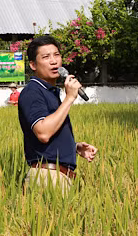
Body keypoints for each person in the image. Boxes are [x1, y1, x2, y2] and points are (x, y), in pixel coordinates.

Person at [18, 36, 98, 192]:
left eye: (56, 55)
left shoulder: (49, 92)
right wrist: (69, 98)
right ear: (33, 65)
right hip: (48, 177)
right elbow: (43, 133)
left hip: (58, 176)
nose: (54, 61)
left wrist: (73, 147)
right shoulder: (32, 92)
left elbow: (46, 139)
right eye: (46, 57)